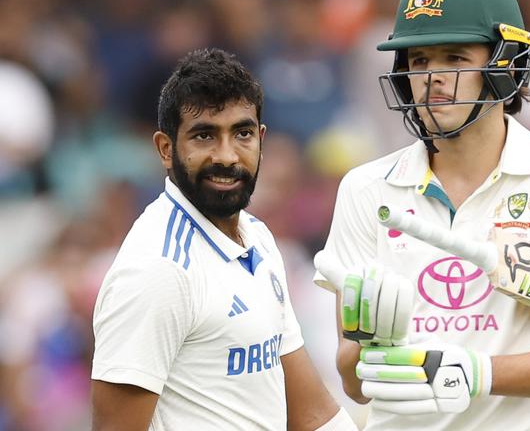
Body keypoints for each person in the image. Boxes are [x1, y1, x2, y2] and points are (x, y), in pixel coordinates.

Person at [314, 0, 530, 430]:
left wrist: (480, 373)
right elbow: (354, 381)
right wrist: (368, 346)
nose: (432, 79)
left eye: (455, 58)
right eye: (419, 61)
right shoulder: (365, 189)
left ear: (509, 64)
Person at [91, 48, 356, 431]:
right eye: (204, 136)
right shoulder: (158, 269)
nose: (227, 156)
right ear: (166, 149)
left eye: (242, 133)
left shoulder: (259, 239)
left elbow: (312, 414)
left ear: (261, 138)